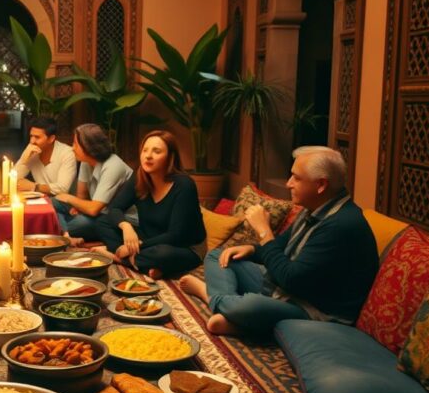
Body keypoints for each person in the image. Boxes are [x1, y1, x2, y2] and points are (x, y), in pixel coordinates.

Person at [179, 146, 379, 337]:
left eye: (297, 178)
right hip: (284, 288)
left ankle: (211, 296)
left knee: (247, 306)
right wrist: (251, 249)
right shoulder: (314, 208)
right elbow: (280, 246)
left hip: (313, 310)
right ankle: (231, 311)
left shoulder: (340, 225)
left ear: (321, 185)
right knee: (218, 256)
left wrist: (264, 231)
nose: (288, 183)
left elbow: (291, 278)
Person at [93, 130, 206, 279]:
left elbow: (176, 235)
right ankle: (145, 264)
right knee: (103, 221)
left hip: (184, 247)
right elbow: (115, 208)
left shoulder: (184, 185)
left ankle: (120, 257)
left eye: (156, 151)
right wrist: (126, 227)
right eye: (145, 150)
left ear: (170, 157)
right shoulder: (139, 178)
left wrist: (137, 246)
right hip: (149, 238)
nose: (148, 155)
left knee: (162, 254)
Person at [51, 123, 133, 243]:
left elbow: (94, 209)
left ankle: (62, 231)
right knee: (53, 202)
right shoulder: (86, 161)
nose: (72, 148)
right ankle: (66, 234)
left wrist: (69, 198)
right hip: (95, 213)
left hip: (116, 220)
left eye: (75, 144)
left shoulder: (113, 166)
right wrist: (77, 206)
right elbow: (81, 196)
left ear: (88, 146)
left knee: (80, 222)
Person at [13, 116, 77, 196]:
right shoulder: (31, 151)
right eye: (31, 136)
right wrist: (23, 160)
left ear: (51, 139)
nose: (32, 141)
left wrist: (34, 186)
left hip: (61, 200)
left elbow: (62, 189)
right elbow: (13, 180)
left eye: (37, 137)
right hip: (39, 197)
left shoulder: (67, 153)